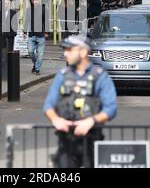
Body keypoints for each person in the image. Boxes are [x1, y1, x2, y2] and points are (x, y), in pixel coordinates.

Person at [43, 35, 117, 168]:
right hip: (66, 142)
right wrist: (56, 120)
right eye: (65, 50)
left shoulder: (99, 76)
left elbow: (110, 108)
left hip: (92, 140)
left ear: (83, 52)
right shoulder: (62, 75)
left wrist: (91, 121)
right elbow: (49, 105)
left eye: (70, 49)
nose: (65, 53)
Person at [23, 0, 49, 75]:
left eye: (37, 0)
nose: (36, 2)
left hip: (41, 35)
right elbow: (26, 21)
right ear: (32, 1)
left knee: (40, 55)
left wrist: (47, 32)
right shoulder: (28, 10)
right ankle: (35, 64)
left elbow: (46, 21)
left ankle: (37, 69)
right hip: (31, 34)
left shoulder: (44, 9)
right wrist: (24, 32)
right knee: (30, 52)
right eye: (34, 0)